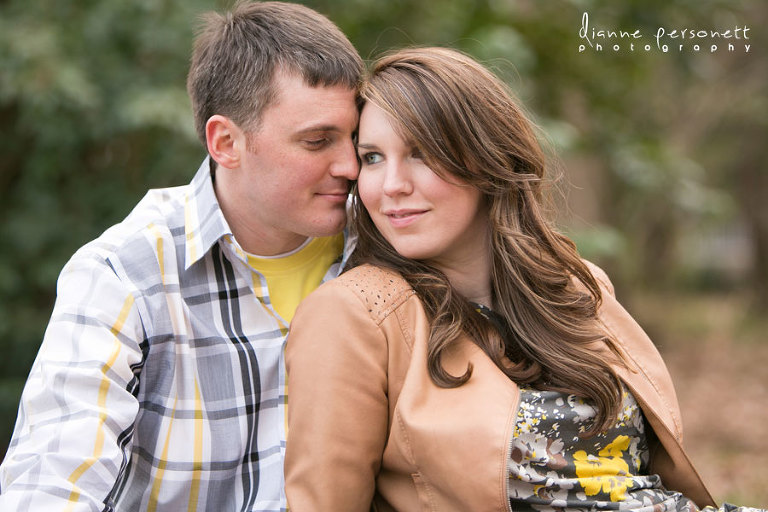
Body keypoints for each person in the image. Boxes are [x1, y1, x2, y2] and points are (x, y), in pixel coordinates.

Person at [284, 47, 765, 511]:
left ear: (485, 158)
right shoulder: (355, 314)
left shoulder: (574, 285)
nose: (391, 185)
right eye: (371, 158)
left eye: (421, 153)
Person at [0, 2, 362, 510]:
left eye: (356, 139)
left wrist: (520, 463)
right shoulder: (121, 276)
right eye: (317, 141)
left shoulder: (392, 250)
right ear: (226, 142)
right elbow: (52, 478)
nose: (350, 165)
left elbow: (513, 439)